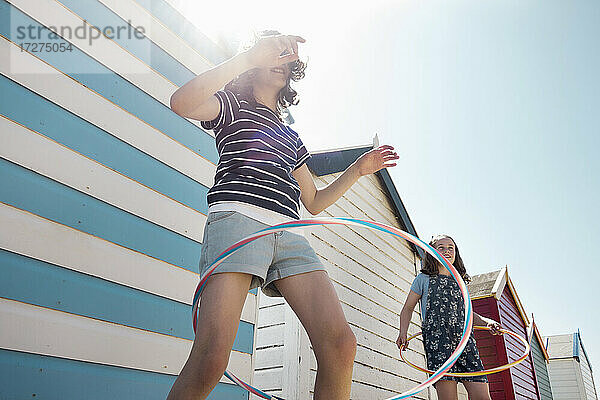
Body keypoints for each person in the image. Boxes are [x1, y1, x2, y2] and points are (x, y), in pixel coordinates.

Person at [167, 31, 399, 400]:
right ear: (256, 60)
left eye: (286, 58)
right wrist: (246, 56)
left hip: (289, 234)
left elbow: (315, 201)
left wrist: (356, 170)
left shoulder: (291, 136)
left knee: (341, 346)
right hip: (239, 220)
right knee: (212, 356)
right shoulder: (233, 104)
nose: (281, 60)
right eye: (272, 53)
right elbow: (181, 102)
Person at [396, 235, 501, 400]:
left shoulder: (461, 282)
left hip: (465, 342)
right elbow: (408, 308)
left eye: (450, 247)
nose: (446, 251)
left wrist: (487, 322)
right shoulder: (423, 279)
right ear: (432, 252)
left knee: (482, 396)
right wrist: (403, 332)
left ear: (456, 253)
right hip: (439, 343)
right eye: (441, 247)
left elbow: (467, 313)